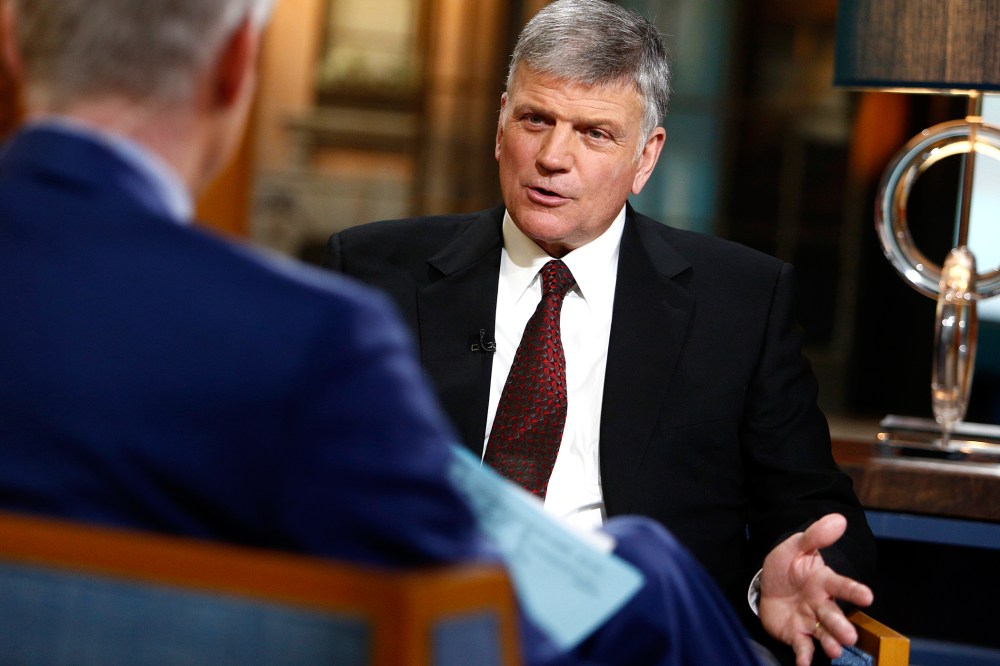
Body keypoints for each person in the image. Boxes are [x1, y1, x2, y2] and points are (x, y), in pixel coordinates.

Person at [0, 1, 770, 664]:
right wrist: (641, 567)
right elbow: (460, 624)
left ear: (10, 39)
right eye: (534, 118)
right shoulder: (307, 340)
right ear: (237, 66)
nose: (553, 155)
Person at [326, 1, 877, 664]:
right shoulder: (374, 270)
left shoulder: (740, 302)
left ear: (646, 157)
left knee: (645, 558)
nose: (552, 157)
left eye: (594, 133)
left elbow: (815, 508)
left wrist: (774, 584)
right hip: (426, 623)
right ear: (501, 124)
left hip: (638, 641)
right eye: (536, 119)